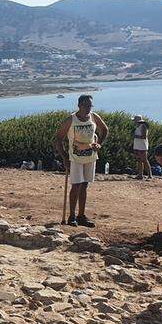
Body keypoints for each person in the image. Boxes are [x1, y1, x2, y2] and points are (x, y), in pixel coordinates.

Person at [53, 94, 108, 227]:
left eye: (90, 106)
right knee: (76, 186)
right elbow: (58, 139)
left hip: (90, 157)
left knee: (84, 185)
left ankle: (81, 215)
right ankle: (72, 216)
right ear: (79, 105)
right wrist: (65, 157)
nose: (88, 108)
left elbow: (105, 130)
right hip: (75, 158)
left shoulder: (94, 117)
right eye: (86, 106)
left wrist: (99, 143)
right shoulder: (71, 120)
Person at [131, 115, 152, 179]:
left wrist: (135, 136)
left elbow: (144, 136)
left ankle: (150, 175)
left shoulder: (143, 126)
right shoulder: (138, 126)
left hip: (142, 146)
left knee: (144, 160)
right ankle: (140, 175)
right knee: (139, 160)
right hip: (138, 145)